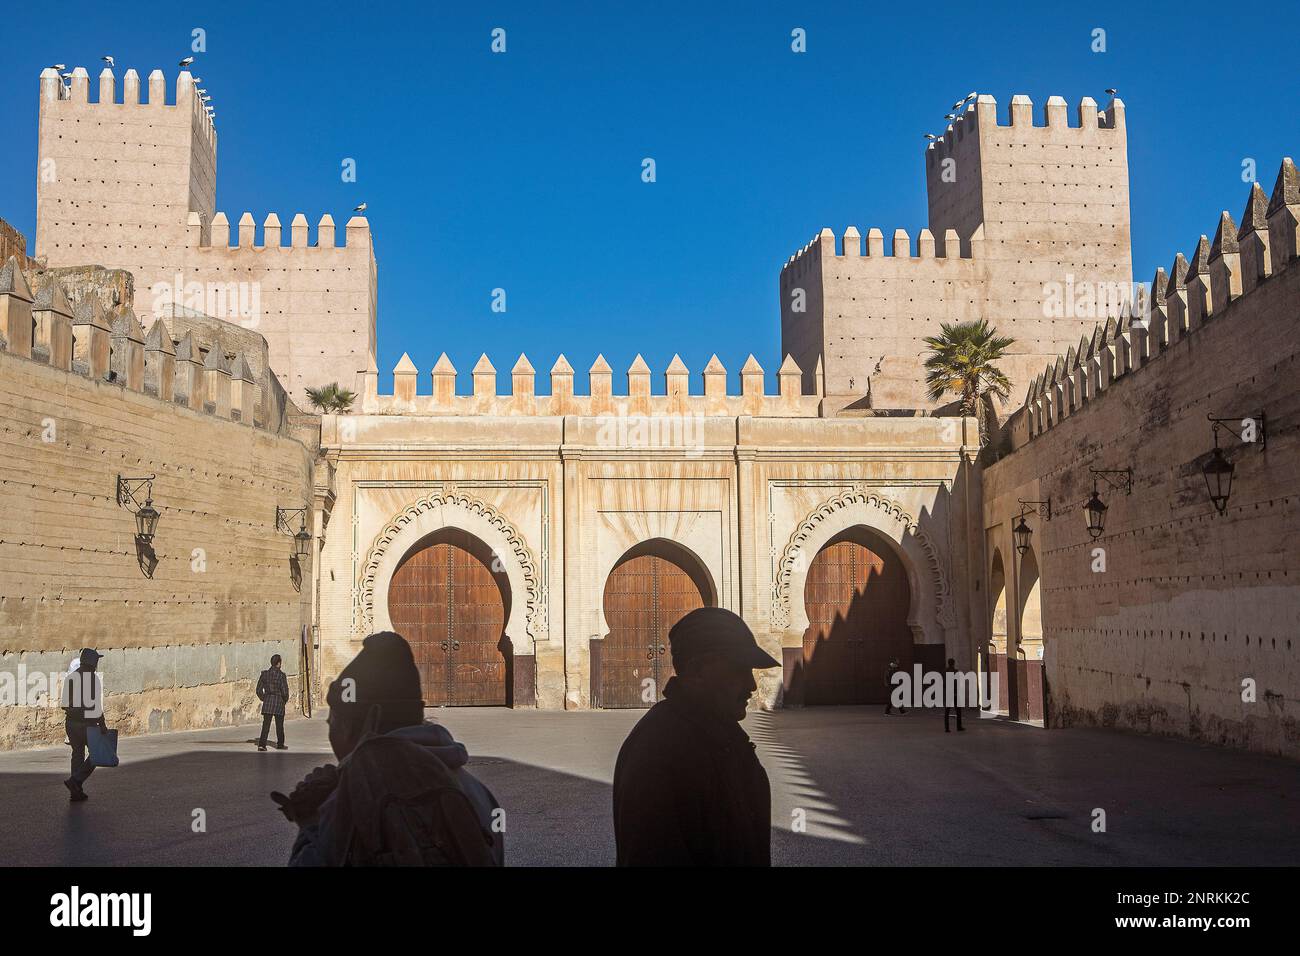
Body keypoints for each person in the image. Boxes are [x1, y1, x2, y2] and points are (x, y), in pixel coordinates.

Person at [279, 631, 503, 866]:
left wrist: (311, 822)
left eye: (335, 723)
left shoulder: (351, 800)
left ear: (371, 720)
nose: (332, 733)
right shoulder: (481, 796)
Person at [612, 606, 779, 867]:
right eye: (739, 670)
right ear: (698, 670)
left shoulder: (719, 735)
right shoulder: (659, 751)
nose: (751, 685)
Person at [60, 648, 106, 802]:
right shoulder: (93, 680)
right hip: (87, 724)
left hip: (71, 724)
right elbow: (96, 707)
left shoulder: (71, 678)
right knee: (97, 754)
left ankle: (76, 791)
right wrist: (102, 724)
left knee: (77, 755)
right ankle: (76, 781)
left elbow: (64, 705)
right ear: (93, 662)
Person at [255, 654, 290, 751]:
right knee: (279, 725)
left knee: (266, 725)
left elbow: (258, 690)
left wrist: (264, 698)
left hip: (268, 702)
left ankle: (262, 745)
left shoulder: (264, 674)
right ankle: (280, 744)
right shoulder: (281, 675)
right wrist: (285, 700)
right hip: (279, 702)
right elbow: (284, 691)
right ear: (278, 663)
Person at [943, 657, 965, 733]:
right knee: (958, 710)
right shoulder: (956, 672)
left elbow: (943, 683)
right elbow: (957, 683)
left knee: (947, 711)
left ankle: (947, 728)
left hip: (948, 693)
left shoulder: (945, 671)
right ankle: (959, 727)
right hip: (955, 693)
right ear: (953, 663)